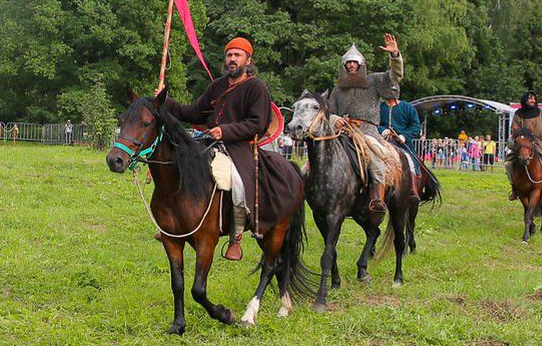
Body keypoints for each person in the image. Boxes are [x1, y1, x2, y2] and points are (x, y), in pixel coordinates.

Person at [162, 36, 302, 261]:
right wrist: (166, 101)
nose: (232, 59)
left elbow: (257, 123)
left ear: (248, 60)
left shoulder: (256, 87)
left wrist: (225, 131)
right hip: (208, 144)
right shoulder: (217, 86)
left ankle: (235, 237)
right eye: (229, 55)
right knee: (177, 167)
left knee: (235, 181)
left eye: (237, 55)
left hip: (239, 146)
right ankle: (174, 224)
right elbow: (194, 113)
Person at [328, 35, 404, 218]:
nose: (352, 66)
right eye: (349, 63)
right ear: (344, 66)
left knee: (375, 159)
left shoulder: (373, 81)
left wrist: (394, 55)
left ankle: (377, 197)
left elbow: (394, 77)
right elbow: (329, 112)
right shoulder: (338, 89)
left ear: (361, 65)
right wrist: (334, 120)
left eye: (355, 63)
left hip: (367, 132)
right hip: (343, 132)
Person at [505, 91, 542, 199]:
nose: (532, 100)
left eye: (534, 98)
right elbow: (514, 129)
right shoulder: (519, 114)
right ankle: (514, 187)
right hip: (524, 143)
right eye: (530, 98)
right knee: (508, 164)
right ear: (525, 100)